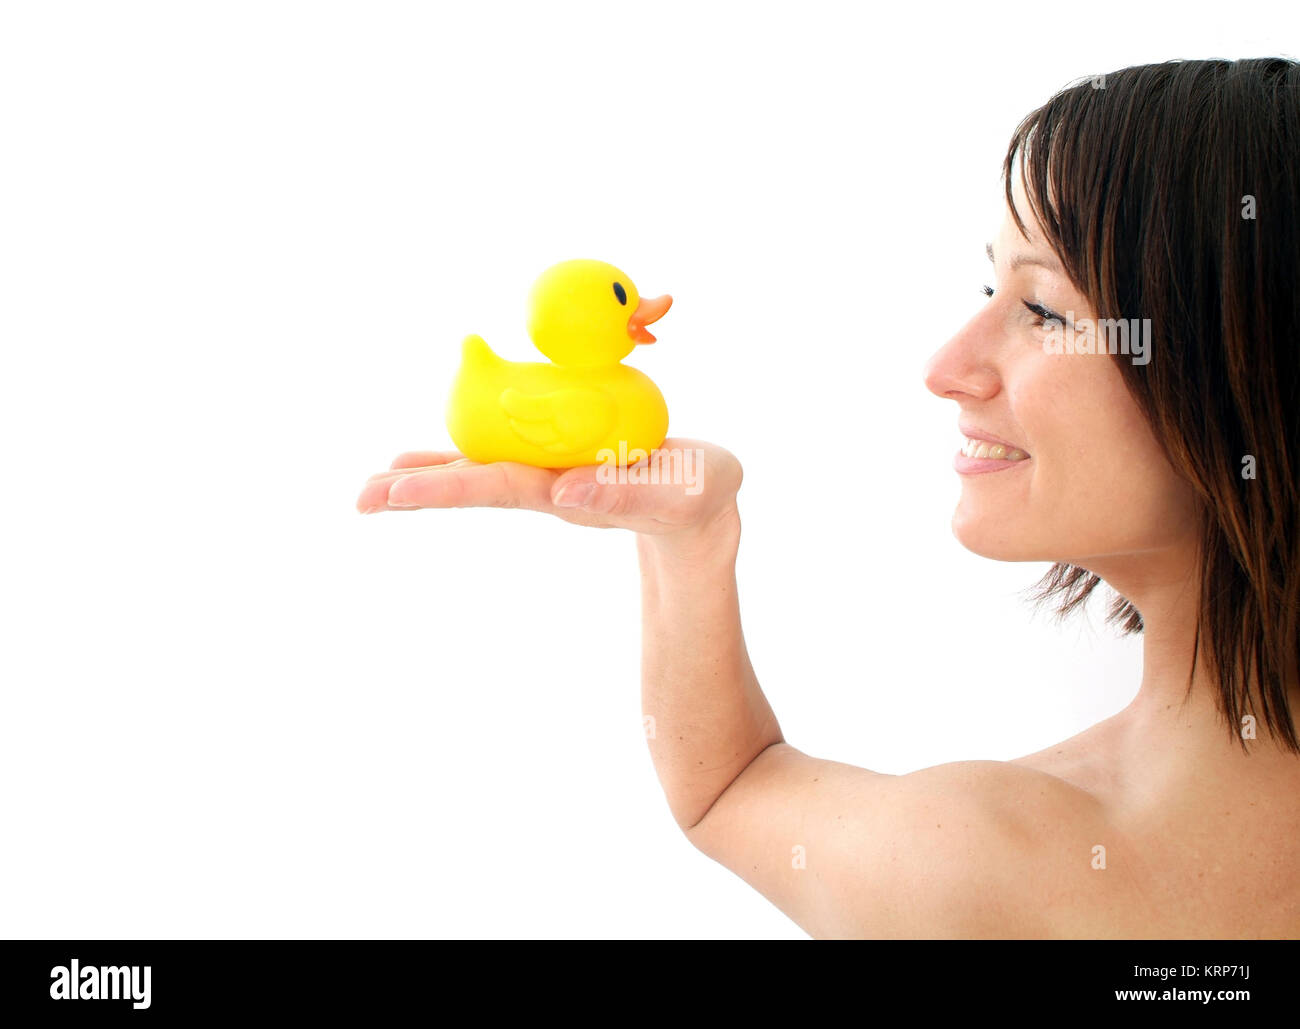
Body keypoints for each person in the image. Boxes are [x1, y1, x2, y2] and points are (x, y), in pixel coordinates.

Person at [357, 58, 1300, 938]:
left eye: (1045, 309)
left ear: (1246, 366)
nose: (947, 369)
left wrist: (692, 539)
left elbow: (727, 792)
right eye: (988, 285)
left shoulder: (989, 862)